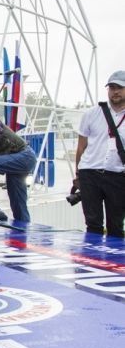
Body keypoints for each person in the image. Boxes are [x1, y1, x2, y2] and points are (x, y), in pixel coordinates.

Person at [74, 71, 125, 238]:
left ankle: (114, 256)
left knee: (116, 226)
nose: (115, 91)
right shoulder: (91, 113)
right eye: (112, 87)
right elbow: (81, 147)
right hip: (90, 173)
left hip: (117, 176)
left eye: (119, 88)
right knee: (93, 224)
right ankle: (92, 255)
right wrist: (78, 174)